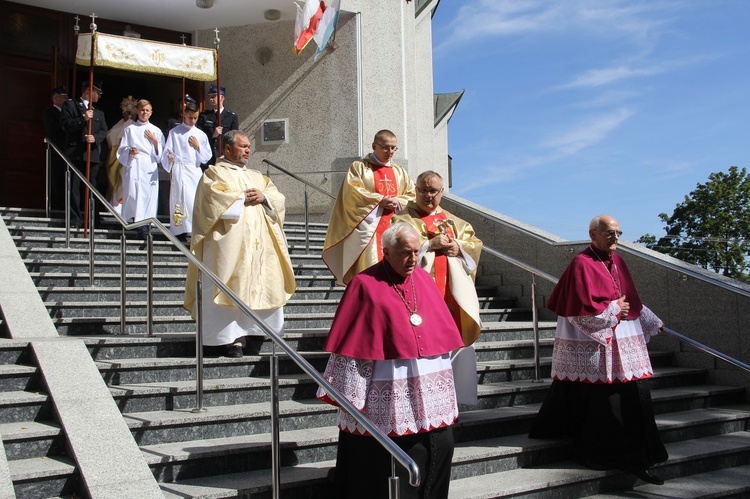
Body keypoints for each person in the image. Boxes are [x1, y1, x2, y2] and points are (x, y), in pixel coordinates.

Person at [317, 222, 464, 499]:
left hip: (427, 388)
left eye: (416, 251)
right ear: (385, 251)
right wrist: (352, 399)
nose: (411, 259)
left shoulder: (424, 279)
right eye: (404, 253)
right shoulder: (364, 284)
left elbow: (439, 336)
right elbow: (354, 346)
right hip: (388, 387)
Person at [529, 214, 668, 485]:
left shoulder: (618, 260)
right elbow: (579, 311)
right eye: (609, 233)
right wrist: (614, 310)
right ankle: (613, 456)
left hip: (624, 341)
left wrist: (649, 318)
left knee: (635, 396)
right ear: (593, 234)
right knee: (603, 402)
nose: (615, 237)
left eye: (618, 233)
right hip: (596, 345)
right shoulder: (581, 263)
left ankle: (642, 458)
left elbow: (628, 297)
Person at [184, 130, 296, 358]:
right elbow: (211, 201)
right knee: (229, 287)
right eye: (242, 146)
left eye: (248, 147)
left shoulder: (258, 176)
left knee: (262, 285)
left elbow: (277, 198)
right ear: (226, 149)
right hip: (228, 247)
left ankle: (257, 335)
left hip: (260, 248)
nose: (247, 150)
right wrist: (240, 198)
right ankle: (229, 340)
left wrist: (264, 198)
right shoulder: (214, 173)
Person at [392, 170, 483, 405]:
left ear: (442, 192)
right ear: (415, 190)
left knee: (453, 345)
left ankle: (454, 398)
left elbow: (473, 245)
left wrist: (459, 248)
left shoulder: (456, 223)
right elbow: (395, 249)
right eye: (423, 190)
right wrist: (428, 245)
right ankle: (422, 398)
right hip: (418, 299)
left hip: (451, 298)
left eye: (433, 190)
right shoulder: (403, 219)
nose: (428, 195)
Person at [322, 129, 416, 285]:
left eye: (393, 148)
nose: (390, 152)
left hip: (395, 227)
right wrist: (379, 200)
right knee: (371, 273)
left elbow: (412, 195)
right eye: (386, 147)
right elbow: (352, 193)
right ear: (374, 146)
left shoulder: (400, 172)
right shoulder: (359, 168)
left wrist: (398, 201)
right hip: (370, 230)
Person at [60, 80, 109, 227]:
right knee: (73, 187)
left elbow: (103, 131)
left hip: (91, 154)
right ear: (89, 90)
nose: (99, 96)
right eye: (97, 93)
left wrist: (95, 139)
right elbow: (65, 125)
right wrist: (83, 119)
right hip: (75, 152)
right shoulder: (71, 105)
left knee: (92, 187)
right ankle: (75, 219)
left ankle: (93, 218)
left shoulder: (99, 112)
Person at [161, 101, 211, 242]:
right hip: (180, 169)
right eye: (190, 117)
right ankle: (179, 229)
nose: (192, 121)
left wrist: (198, 147)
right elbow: (167, 151)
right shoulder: (174, 132)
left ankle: (193, 229)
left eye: (195, 118)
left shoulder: (200, 134)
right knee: (180, 199)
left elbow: (207, 157)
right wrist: (169, 157)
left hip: (193, 170)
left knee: (193, 199)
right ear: (184, 115)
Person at [117, 99, 165, 238]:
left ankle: (145, 224)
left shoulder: (156, 130)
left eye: (147, 110)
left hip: (149, 164)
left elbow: (160, 154)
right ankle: (133, 220)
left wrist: (155, 141)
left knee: (147, 195)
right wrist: (129, 151)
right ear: (137, 111)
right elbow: (122, 149)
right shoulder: (130, 129)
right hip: (134, 163)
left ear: (151, 113)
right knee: (133, 192)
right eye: (142, 110)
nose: (144, 112)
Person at [104, 96, 137, 214]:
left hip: (131, 159)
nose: (129, 116)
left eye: (132, 113)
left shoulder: (137, 127)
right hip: (116, 157)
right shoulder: (118, 125)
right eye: (127, 113)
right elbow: (110, 136)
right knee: (115, 179)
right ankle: (115, 204)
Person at [196, 86, 239, 169]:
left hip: (224, 157)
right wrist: (213, 135)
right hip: (208, 157)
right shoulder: (204, 116)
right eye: (210, 97)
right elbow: (200, 135)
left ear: (222, 97)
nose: (211, 99)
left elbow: (234, 138)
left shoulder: (231, 117)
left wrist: (227, 154)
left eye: (214, 97)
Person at [42, 86, 68, 210]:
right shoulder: (49, 112)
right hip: (56, 150)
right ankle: (57, 206)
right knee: (56, 178)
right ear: (56, 98)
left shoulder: (66, 113)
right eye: (64, 97)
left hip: (66, 150)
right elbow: (53, 129)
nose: (66, 100)